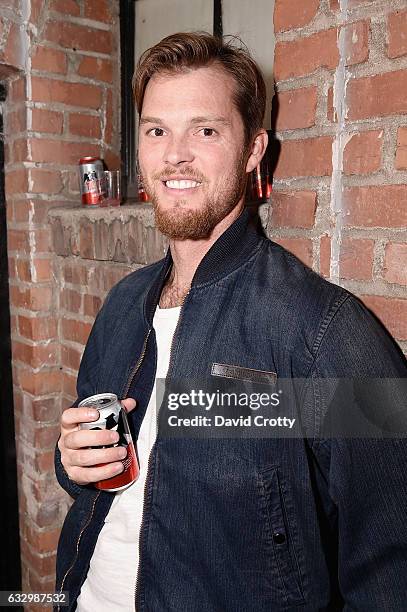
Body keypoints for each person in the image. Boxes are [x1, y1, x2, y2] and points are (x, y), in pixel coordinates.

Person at [55, 32, 407, 611]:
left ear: (253, 150)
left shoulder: (320, 332)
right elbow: (97, 480)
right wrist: (74, 464)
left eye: (206, 130)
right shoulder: (121, 306)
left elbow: (391, 563)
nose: (175, 156)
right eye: (156, 130)